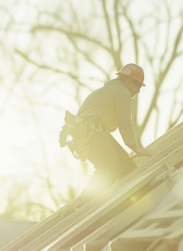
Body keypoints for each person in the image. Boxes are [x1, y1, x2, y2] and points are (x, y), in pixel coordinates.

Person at [60, 63, 151, 203]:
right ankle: (87, 200)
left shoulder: (105, 90)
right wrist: (134, 146)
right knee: (109, 167)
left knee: (126, 166)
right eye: (137, 87)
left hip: (88, 133)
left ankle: (118, 201)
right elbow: (125, 121)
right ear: (128, 81)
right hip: (92, 133)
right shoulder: (122, 92)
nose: (137, 92)